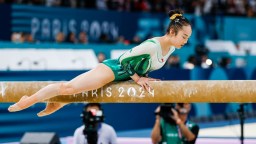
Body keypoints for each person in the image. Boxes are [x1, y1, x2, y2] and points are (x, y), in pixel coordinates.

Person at [8, 9, 192, 116]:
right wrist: (138, 79)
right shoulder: (153, 45)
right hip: (113, 70)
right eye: (184, 36)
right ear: (171, 32)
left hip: (124, 76)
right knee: (68, 88)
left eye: (188, 38)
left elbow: (142, 64)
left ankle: (59, 103)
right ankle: (29, 100)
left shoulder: (173, 49)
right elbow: (124, 60)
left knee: (85, 93)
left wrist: (144, 77)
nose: (186, 41)